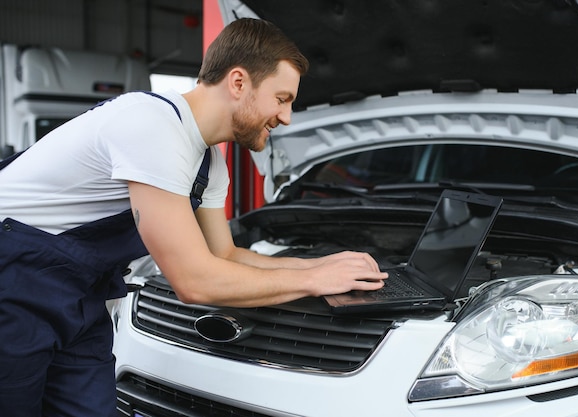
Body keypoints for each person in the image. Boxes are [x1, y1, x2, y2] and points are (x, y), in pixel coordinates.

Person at [0, 18, 387, 417]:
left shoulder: (209, 163)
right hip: (13, 281)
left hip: (76, 294)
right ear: (238, 82)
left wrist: (322, 265)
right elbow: (194, 280)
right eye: (282, 98)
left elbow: (226, 256)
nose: (286, 117)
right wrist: (312, 280)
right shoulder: (152, 125)